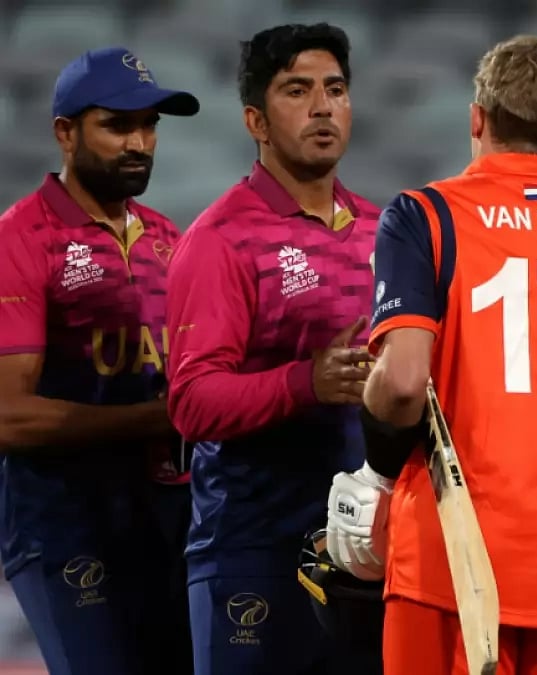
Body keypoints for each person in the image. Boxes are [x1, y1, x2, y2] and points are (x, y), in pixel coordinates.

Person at [322, 34, 537, 675]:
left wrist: (373, 476)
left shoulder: (424, 216)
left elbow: (400, 383)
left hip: (449, 567)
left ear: (477, 119)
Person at [165, 23, 382, 675]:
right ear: (256, 121)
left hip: (365, 554)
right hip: (250, 552)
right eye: (298, 90)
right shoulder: (220, 239)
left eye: (335, 89)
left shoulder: (386, 232)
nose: (323, 107)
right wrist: (306, 383)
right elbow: (192, 403)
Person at [0, 47, 199, 675]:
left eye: (149, 125)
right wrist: (155, 419)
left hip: (167, 518)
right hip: (64, 525)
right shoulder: (18, 239)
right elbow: (9, 416)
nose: (139, 142)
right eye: (117, 125)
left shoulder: (170, 238)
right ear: (65, 132)